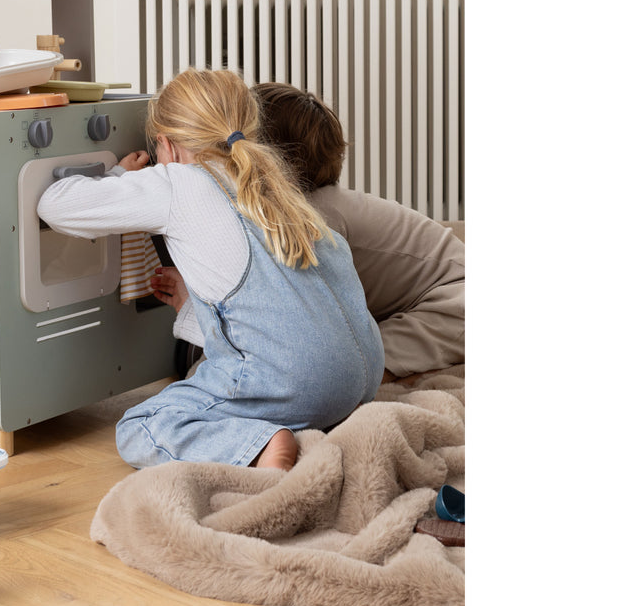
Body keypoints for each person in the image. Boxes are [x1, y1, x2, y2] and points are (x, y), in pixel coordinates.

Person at [37, 68, 384, 471]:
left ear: (167, 145)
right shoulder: (274, 185)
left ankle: (262, 444)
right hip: (360, 380)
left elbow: (54, 205)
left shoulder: (178, 181)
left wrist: (119, 176)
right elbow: (280, 309)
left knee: (142, 425)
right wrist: (193, 305)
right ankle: (303, 420)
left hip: (298, 387)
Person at [160, 82, 464, 383]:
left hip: (454, 300)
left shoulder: (313, 218)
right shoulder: (295, 209)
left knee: (349, 372)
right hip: (411, 299)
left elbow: (276, 322)